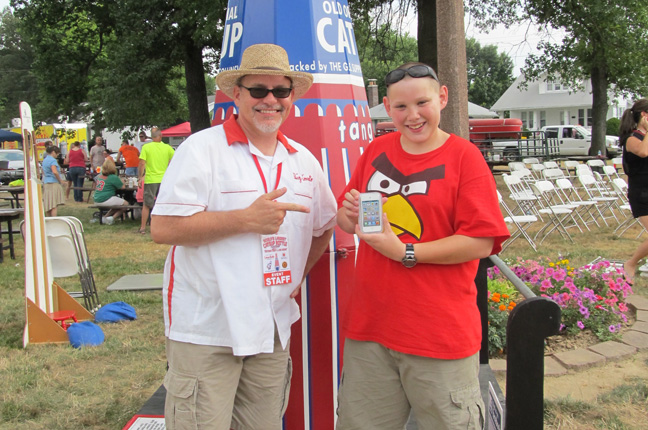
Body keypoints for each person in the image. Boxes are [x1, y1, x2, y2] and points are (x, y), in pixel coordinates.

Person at [150, 43, 337, 430]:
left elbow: (324, 226)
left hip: (270, 330)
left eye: (280, 91)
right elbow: (164, 228)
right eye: (258, 90)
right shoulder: (202, 149)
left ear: (291, 97)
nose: (270, 100)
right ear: (236, 94)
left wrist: (296, 277)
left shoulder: (303, 160)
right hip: (207, 329)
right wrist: (245, 220)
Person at [335, 62, 510, 429]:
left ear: (442, 97)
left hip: (439, 336)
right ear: (386, 106)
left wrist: (405, 252)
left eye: (422, 103)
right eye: (400, 107)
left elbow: (481, 241)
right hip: (370, 331)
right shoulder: (376, 150)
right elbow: (348, 220)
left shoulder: (465, 158)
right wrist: (350, 215)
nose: (412, 116)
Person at [620, 98, 648, 284]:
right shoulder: (632, 138)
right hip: (642, 194)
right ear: (644, 115)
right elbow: (643, 153)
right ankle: (630, 263)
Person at [137, 127, 174, 234]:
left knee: (146, 204)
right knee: (163, 203)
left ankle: (143, 228)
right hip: (164, 179)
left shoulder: (146, 147)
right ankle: (165, 226)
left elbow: (142, 163)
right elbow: (175, 160)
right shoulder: (167, 148)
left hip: (151, 179)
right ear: (160, 136)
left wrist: (140, 177)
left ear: (151, 137)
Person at [93, 158, 130, 225]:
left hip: (96, 199)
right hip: (105, 199)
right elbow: (123, 187)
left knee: (117, 204)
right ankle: (112, 218)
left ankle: (105, 217)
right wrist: (122, 181)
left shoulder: (100, 175)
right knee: (125, 204)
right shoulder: (112, 177)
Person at [42, 146, 65, 217]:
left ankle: (48, 219)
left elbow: (43, 171)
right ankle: (54, 219)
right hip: (53, 183)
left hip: (46, 182)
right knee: (54, 205)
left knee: (48, 204)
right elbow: (55, 172)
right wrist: (60, 180)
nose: (57, 155)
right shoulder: (53, 160)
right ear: (53, 152)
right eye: (57, 153)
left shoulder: (45, 160)